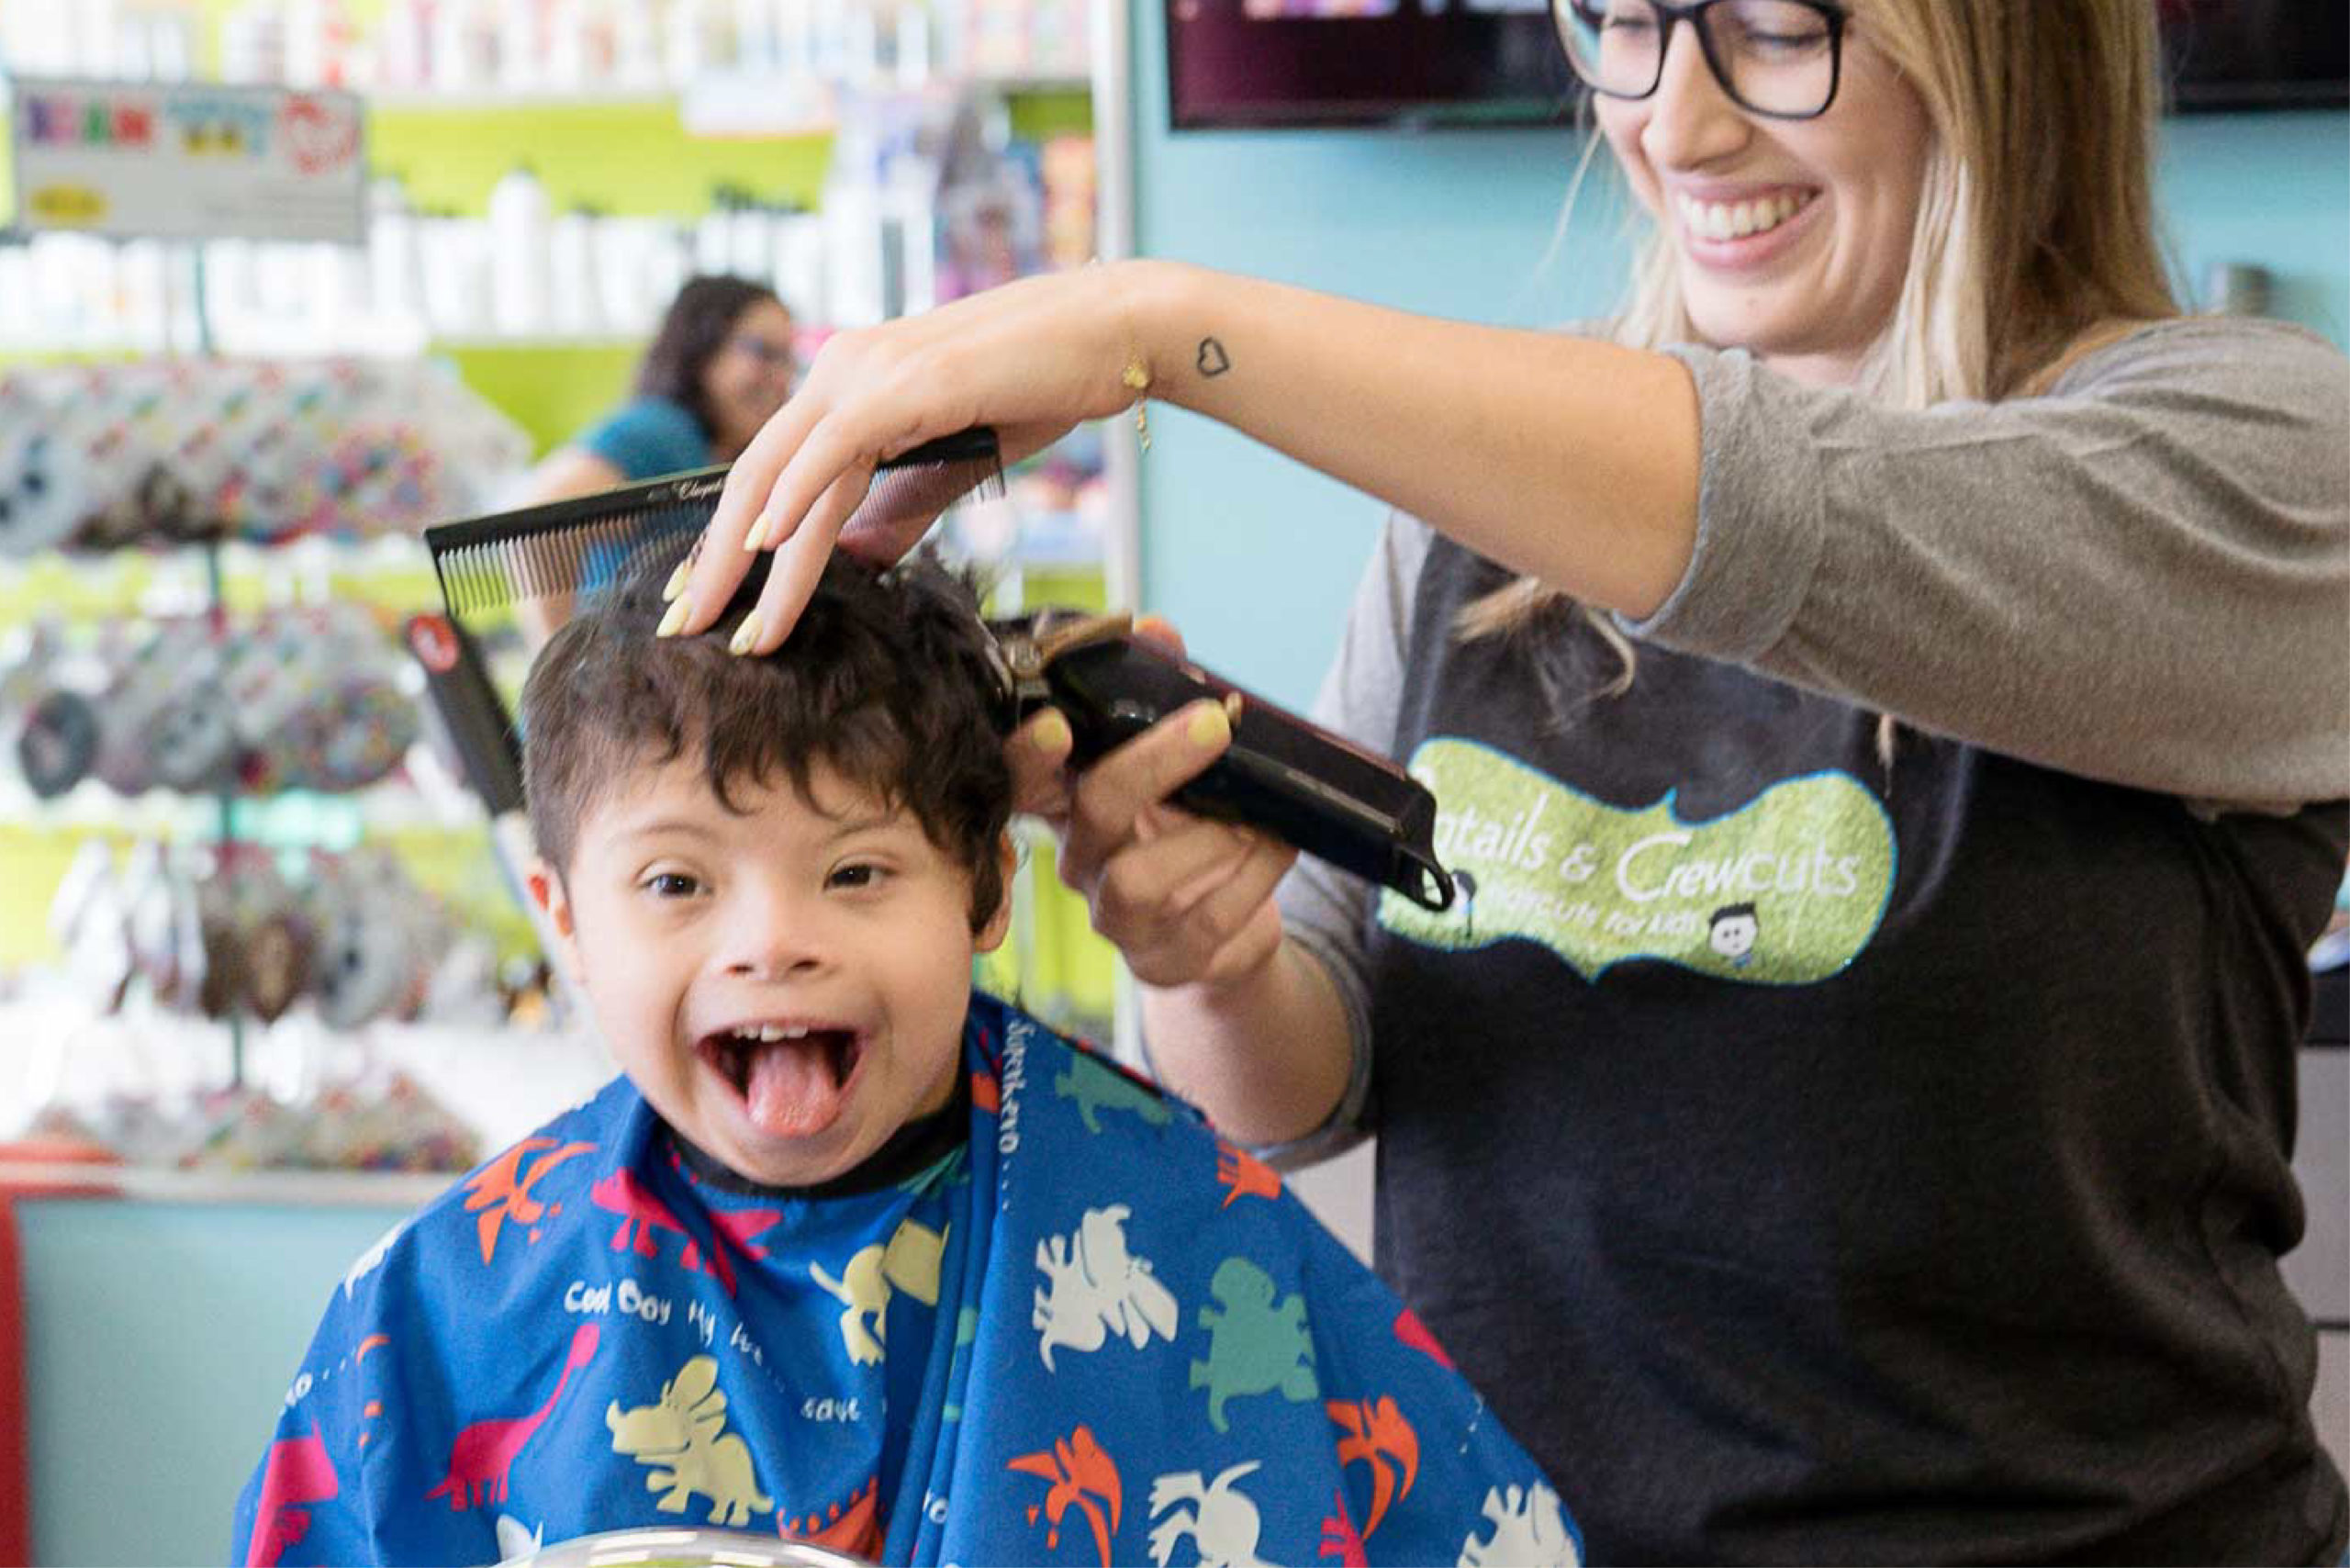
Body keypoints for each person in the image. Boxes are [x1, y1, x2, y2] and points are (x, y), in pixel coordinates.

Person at [661, 0, 2350, 1560]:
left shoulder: (2261, 464)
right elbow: (1311, 1079)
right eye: (1623, 22)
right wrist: (1213, 956)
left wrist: (1149, 328)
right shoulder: (1479, 533)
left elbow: (1793, 515)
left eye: (1772, 30)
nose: (1673, 124)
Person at [229, 552, 1583, 1567]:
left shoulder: (1196, 1235)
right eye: (679, 884)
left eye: (858, 869)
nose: (774, 943)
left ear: (987, 892)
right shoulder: (449, 1309)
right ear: (565, 918)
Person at [515, 274, 799, 508]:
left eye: (787, 358)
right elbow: (543, 507)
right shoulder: (660, 431)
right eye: (764, 352)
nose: (782, 377)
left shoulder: (727, 451)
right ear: (702, 351)